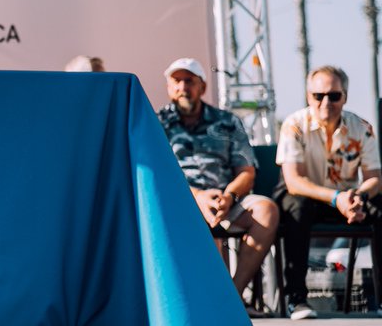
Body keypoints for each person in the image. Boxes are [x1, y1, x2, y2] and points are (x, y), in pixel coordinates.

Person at [157, 57, 278, 307]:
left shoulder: (227, 121)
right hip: (179, 202)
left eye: (188, 81)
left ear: (202, 86)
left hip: (226, 199)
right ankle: (206, 300)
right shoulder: (157, 123)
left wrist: (229, 196)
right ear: (168, 87)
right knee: (195, 219)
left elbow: (246, 171)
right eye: (176, 81)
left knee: (266, 210)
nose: (182, 87)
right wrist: (198, 197)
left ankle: (232, 298)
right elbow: (157, 175)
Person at [275, 65, 381, 320]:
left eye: (334, 96)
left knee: (379, 208)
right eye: (318, 95)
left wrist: (358, 198)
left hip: (346, 199)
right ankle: (296, 300)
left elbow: (375, 179)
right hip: (304, 197)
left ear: (344, 96)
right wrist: (337, 199)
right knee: (296, 206)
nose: (326, 102)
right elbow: (294, 182)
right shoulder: (294, 125)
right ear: (308, 96)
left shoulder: (361, 127)